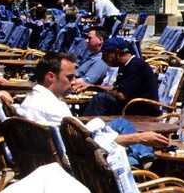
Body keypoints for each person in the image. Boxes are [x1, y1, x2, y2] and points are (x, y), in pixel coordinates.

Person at [17, 51, 170, 158]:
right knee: (140, 155)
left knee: (120, 123)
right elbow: (92, 141)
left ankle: (144, 156)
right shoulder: (52, 108)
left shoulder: (32, 102)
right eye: (69, 77)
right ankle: (147, 160)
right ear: (50, 77)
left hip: (70, 152)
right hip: (87, 165)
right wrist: (139, 138)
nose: (73, 82)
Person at [81, 37, 160, 116]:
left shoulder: (136, 66)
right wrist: (93, 87)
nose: (102, 59)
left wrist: (106, 92)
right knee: (94, 101)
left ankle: (84, 126)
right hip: (130, 107)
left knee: (100, 99)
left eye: (105, 55)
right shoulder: (125, 66)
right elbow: (116, 88)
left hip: (143, 111)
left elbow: (121, 95)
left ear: (117, 53)